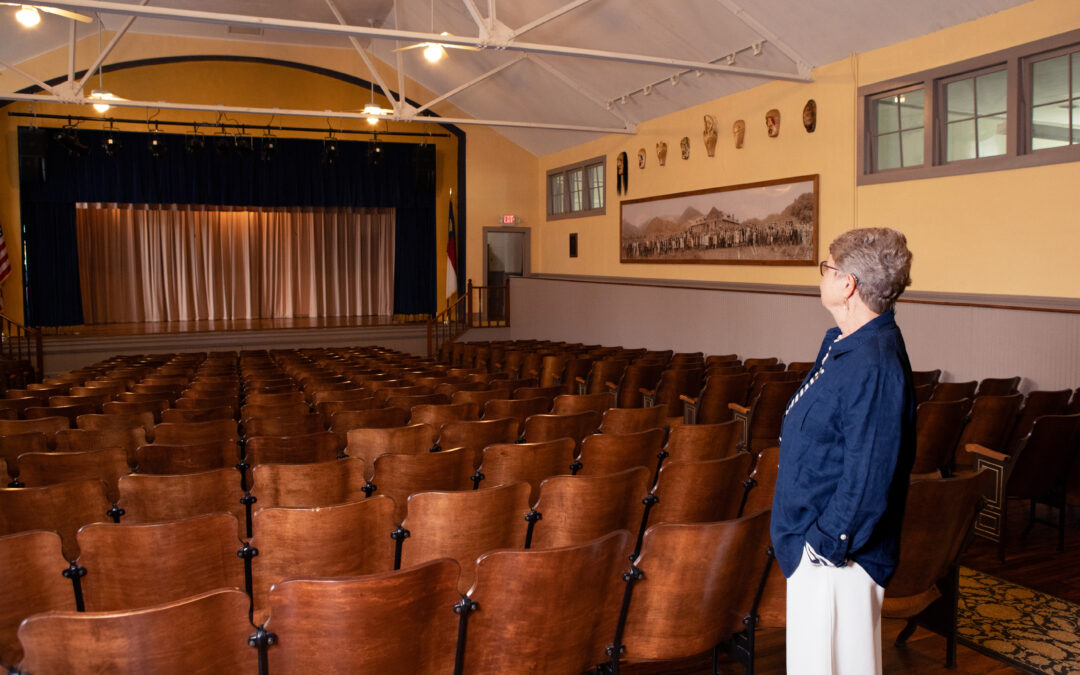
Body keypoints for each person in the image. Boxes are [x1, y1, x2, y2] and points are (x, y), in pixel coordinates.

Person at [771, 227, 916, 675]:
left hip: (835, 561)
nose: (823, 274)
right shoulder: (845, 342)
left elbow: (869, 473)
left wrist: (823, 545)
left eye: (828, 267)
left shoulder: (872, 362)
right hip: (817, 548)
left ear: (848, 284)